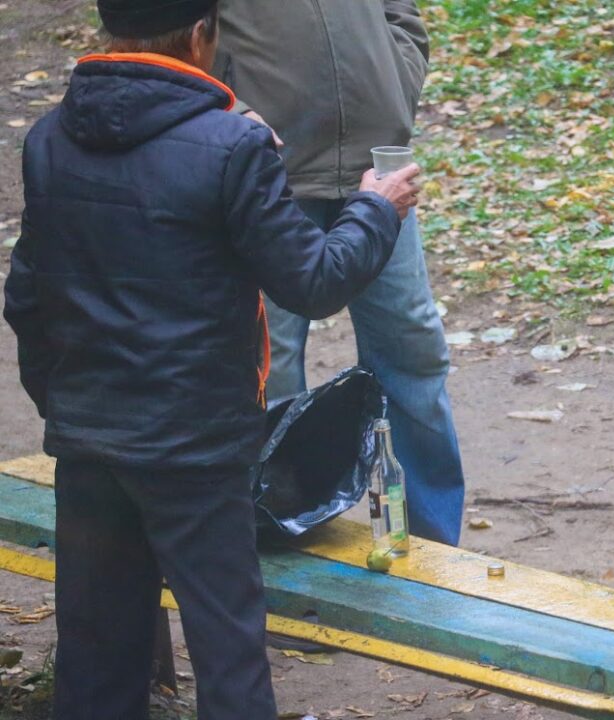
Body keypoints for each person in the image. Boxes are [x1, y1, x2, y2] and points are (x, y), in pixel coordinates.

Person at [2, 0, 421, 716]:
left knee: (96, 651)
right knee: (227, 649)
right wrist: (376, 209)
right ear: (201, 36)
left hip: (87, 440)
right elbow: (314, 282)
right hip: (195, 447)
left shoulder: (48, 138)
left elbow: (26, 299)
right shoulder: (231, 145)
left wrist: (67, 404)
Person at [213, 0, 466, 546]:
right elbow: (165, 27)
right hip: (268, 176)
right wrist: (231, 110)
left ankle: (433, 549)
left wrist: (394, 84)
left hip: (376, 174)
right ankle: (277, 541)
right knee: (272, 367)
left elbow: (400, 13)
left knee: (414, 350)